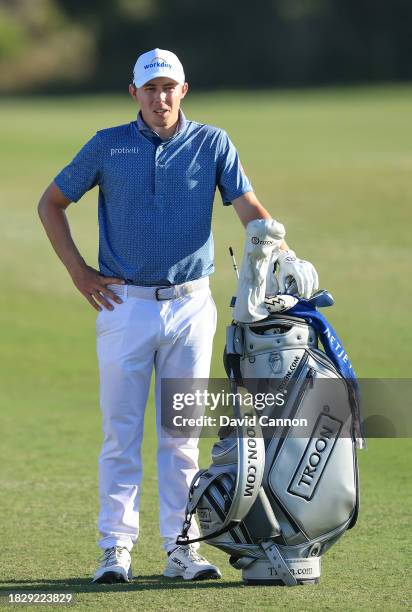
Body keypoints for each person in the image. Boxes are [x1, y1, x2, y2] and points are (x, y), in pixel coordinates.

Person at [37, 48, 318, 583]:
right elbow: (51, 202)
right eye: (150, 89)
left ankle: (181, 549)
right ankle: (115, 550)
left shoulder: (213, 142)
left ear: (183, 91)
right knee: (120, 433)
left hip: (192, 307)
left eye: (169, 88)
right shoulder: (107, 144)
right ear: (134, 93)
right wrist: (79, 272)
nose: (160, 98)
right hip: (124, 306)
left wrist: (280, 247)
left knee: (180, 434)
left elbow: (250, 209)